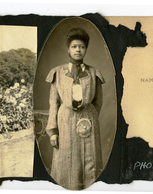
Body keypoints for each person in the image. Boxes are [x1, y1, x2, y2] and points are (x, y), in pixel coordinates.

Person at [45, 28, 105, 190]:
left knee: (89, 161)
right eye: (74, 46)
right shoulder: (57, 73)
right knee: (66, 161)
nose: (78, 50)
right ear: (68, 49)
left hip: (89, 124)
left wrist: (88, 119)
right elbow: (53, 103)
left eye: (82, 47)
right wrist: (53, 131)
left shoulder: (94, 74)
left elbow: (98, 102)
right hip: (65, 122)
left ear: (86, 49)